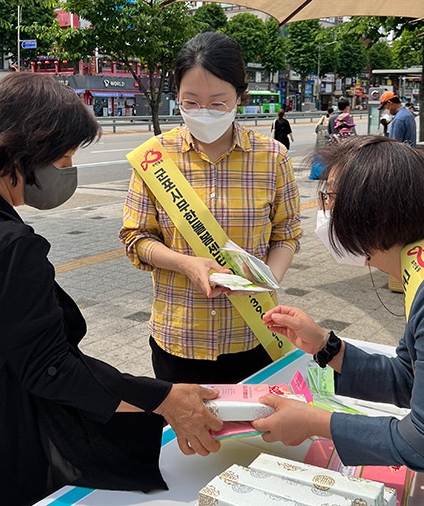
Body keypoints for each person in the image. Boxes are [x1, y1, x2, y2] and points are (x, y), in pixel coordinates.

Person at [0, 73, 223, 506]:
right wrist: (164, 398)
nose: (67, 170)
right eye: (64, 158)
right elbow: (50, 368)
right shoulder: (3, 244)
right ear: (26, 153)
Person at [251, 135, 424, 500]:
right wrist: (325, 346)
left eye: (331, 200)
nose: (325, 215)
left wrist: (313, 423)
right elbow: (413, 377)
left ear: (376, 214)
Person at [119, 32, 302, 385]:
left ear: (239, 97)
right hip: (180, 337)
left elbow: (287, 233)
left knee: (254, 435)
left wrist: (266, 281)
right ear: (177, 98)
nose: (204, 112)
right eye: (191, 101)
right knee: (189, 438)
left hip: (254, 332)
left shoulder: (273, 158)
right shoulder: (155, 157)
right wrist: (186, 263)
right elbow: (135, 238)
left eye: (218, 103)